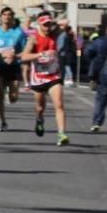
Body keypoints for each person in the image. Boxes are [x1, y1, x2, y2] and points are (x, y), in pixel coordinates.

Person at [21, 13, 69, 146]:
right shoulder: (34, 38)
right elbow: (24, 57)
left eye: (49, 24)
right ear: (39, 25)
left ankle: (61, 134)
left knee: (59, 104)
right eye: (45, 25)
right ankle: (39, 119)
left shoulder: (55, 34)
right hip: (39, 77)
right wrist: (41, 54)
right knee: (40, 107)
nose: (47, 27)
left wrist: (59, 22)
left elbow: (65, 23)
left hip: (54, 75)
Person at [0, 6, 27, 132]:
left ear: (13, 17)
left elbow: (25, 50)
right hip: (0, 66)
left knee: (13, 98)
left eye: (9, 15)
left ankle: (11, 94)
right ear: (1, 17)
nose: (7, 17)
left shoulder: (19, 33)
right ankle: (3, 121)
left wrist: (15, 56)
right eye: (5, 14)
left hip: (14, 67)